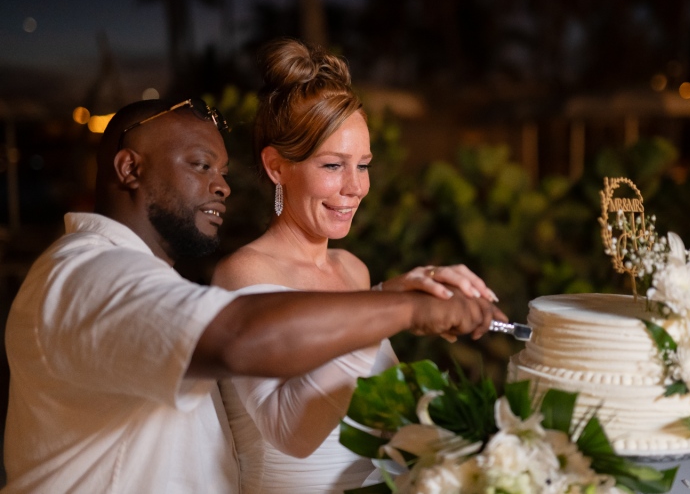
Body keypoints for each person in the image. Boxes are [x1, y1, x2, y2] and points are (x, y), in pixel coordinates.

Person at [2, 98, 505, 493]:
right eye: (200, 165)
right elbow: (238, 336)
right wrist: (404, 307)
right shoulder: (87, 275)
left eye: (222, 171)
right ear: (129, 169)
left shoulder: (141, 275)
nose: (221, 186)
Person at [211, 39, 500, 493]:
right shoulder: (244, 275)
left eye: (362, 165)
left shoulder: (353, 270)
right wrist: (393, 309)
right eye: (332, 165)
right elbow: (289, 431)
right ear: (276, 167)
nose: (354, 187)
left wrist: (403, 294)